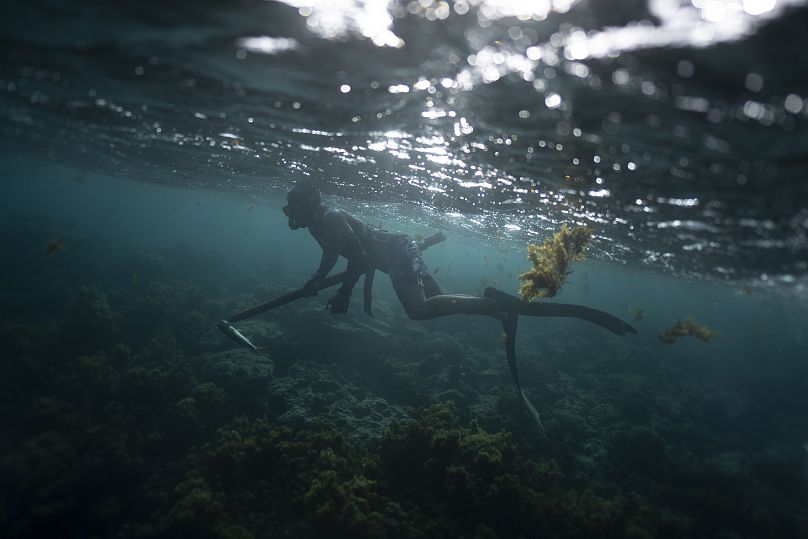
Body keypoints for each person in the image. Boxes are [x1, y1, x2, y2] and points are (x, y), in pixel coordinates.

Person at [282, 183, 515, 332]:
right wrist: (317, 278)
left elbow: (359, 257)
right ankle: (497, 311)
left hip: (396, 252)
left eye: (296, 208)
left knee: (418, 310)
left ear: (308, 206)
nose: (292, 214)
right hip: (399, 249)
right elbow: (331, 253)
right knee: (440, 298)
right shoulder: (316, 224)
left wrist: (344, 293)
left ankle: (497, 303)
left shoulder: (332, 218)